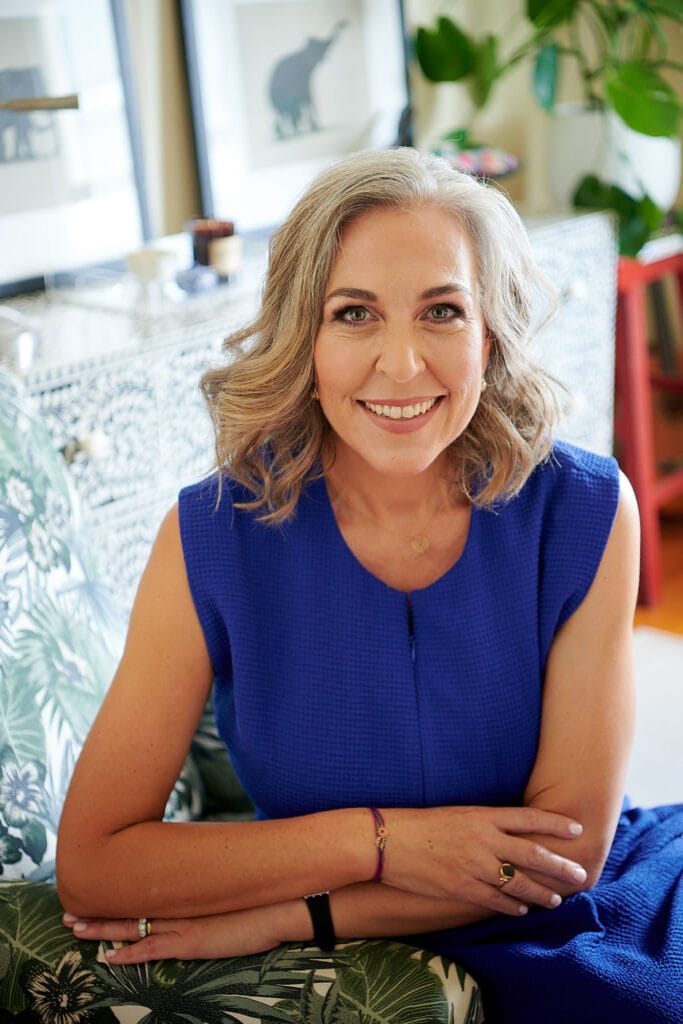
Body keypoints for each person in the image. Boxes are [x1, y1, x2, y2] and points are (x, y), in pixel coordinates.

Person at [57, 147, 682, 1023]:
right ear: (300, 335)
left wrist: (292, 915)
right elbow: (95, 863)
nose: (400, 364)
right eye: (353, 314)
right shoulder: (208, 536)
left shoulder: (582, 510)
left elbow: (564, 862)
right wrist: (385, 842)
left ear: (488, 331)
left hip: (579, 917)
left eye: (441, 313)